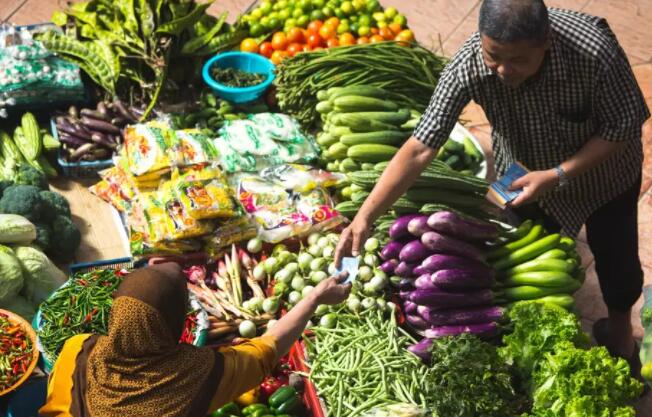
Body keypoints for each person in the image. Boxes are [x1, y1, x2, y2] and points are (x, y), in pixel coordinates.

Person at [335, 0, 649, 373]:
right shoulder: (469, 63)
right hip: (520, 170)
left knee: (618, 263)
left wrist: (556, 175)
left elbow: (622, 128)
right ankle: (546, 328)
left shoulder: (592, 49)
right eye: (493, 55)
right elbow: (420, 147)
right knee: (525, 247)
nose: (502, 70)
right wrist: (365, 216)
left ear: (545, 42)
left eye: (517, 60)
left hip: (604, 175)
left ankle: (620, 336)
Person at [39, 262, 351, 417]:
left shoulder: (77, 348)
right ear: (176, 328)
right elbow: (266, 349)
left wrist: (159, 274)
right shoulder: (193, 377)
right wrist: (314, 299)